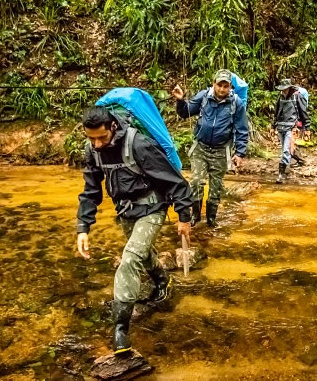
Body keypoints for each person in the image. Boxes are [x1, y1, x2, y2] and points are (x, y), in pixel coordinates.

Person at [75, 106, 193, 355]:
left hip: (152, 209)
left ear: (113, 128)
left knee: (129, 259)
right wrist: (83, 227)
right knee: (142, 253)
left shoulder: (139, 145)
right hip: (125, 213)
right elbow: (91, 191)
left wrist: (184, 216)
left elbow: (175, 181)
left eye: (101, 138)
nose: (96, 144)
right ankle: (163, 280)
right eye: (90, 138)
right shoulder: (92, 151)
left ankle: (120, 329)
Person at [172, 69, 249, 227]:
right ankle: (196, 215)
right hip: (201, 148)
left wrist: (240, 153)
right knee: (196, 182)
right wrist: (180, 101)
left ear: (230, 87)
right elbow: (185, 113)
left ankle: (211, 218)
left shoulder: (236, 103)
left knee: (216, 186)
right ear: (213, 84)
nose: (221, 89)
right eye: (219, 85)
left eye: (225, 86)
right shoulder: (203, 97)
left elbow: (242, 130)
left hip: (221, 151)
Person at [271, 79, 310, 184]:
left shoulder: (297, 97)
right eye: (282, 89)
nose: (283, 91)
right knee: (286, 149)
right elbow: (277, 113)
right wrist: (273, 126)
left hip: (292, 128)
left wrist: (307, 128)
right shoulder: (280, 98)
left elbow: (303, 113)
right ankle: (287, 168)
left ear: (289, 88)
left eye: (285, 89)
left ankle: (281, 174)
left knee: (286, 150)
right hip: (281, 127)